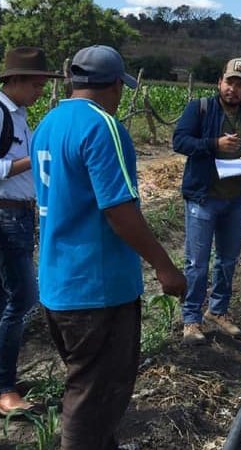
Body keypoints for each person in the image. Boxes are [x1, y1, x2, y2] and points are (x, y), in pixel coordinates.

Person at [31, 45, 188, 450]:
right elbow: (120, 211)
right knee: (91, 401)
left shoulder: (48, 122)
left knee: (89, 388)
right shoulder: (104, 126)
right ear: (116, 85)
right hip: (98, 290)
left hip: (57, 284)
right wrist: (164, 266)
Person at [0, 46, 63, 416]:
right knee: (23, 299)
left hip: (18, 215)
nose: (40, 92)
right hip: (2, 215)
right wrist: (35, 153)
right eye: (36, 85)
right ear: (16, 80)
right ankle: (2, 385)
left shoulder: (17, 115)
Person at [172, 57, 241, 346]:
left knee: (227, 261)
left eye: (240, 84)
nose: (233, 89)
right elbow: (179, 141)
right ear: (220, 82)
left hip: (235, 201)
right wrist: (213, 144)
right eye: (230, 82)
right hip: (203, 199)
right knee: (197, 263)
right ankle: (191, 319)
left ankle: (218, 310)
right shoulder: (200, 109)